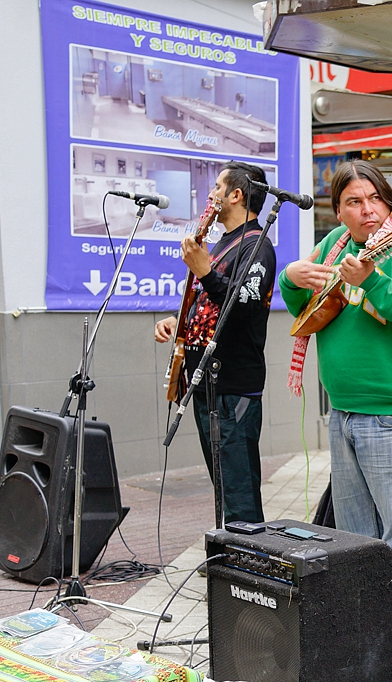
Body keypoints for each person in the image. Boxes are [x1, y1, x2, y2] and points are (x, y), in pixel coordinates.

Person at [279, 160, 392, 577]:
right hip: (345, 410)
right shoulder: (334, 243)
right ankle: (366, 635)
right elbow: (308, 308)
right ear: (338, 211)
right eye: (354, 201)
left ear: (388, 203)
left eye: (375, 199)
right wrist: (291, 279)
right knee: (353, 537)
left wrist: (372, 281)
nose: (368, 209)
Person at [154, 161, 276, 524]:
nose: (211, 194)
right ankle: (230, 556)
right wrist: (179, 321)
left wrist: (205, 271)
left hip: (233, 386)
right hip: (205, 383)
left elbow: (245, 306)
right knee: (223, 483)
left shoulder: (257, 245)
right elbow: (214, 304)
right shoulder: (223, 243)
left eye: (218, 186)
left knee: (239, 487)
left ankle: (247, 567)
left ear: (236, 195)